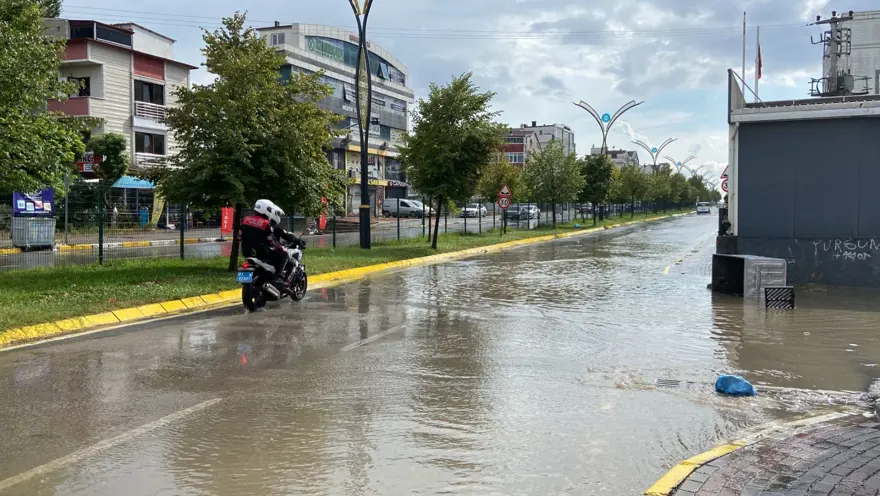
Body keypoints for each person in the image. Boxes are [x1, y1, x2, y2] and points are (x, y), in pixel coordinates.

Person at [240, 199, 303, 286]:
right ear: (267, 209)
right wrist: (280, 248)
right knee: (284, 254)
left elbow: (239, 236)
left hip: (247, 251)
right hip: (263, 251)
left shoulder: (245, 219)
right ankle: (278, 277)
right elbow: (271, 239)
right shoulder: (266, 223)